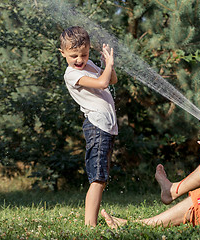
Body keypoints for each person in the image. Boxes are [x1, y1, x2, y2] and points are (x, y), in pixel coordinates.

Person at [59, 26, 118, 226]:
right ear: (63, 53)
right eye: (73, 55)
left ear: (89, 50)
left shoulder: (90, 65)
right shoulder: (71, 74)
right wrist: (108, 65)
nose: (79, 60)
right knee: (97, 178)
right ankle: (89, 225)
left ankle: (90, 222)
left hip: (106, 127)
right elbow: (102, 84)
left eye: (83, 54)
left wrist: (106, 64)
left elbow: (112, 79)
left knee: (101, 177)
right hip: (96, 126)